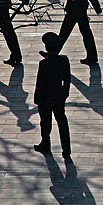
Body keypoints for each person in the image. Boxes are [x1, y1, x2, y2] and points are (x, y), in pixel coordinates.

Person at [33, 32, 71, 160]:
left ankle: (46, 144)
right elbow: (67, 79)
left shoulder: (43, 64)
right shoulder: (64, 60)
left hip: (45, 97)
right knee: (62, 123)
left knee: (45, 122)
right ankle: (66, 149)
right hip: (59, 95)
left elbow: (40, 83)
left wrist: (37, 99)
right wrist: (65, 94)